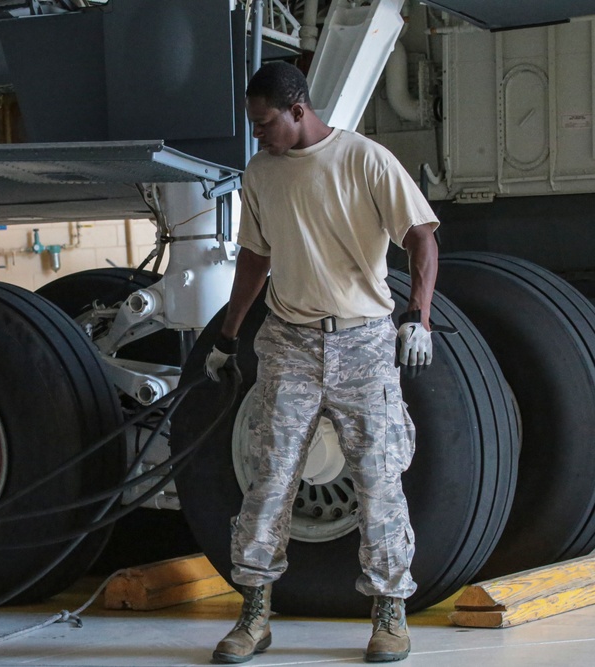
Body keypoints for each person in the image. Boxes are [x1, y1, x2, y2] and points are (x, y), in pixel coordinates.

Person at [204, 62, 438, 664]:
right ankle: (254, 615)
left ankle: (390, 616)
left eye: (265, 124)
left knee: (378, 480)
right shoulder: (260, 173)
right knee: (268, 477)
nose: (259, 136)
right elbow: (254, 259)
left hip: (362, 340)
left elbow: (421, 237)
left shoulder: (364, 160)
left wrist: (419, 316)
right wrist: (227, 337)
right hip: (290, 342)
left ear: (298, 111)